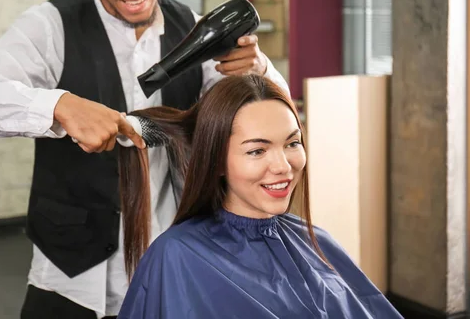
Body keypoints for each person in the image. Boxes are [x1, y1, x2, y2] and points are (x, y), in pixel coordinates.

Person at [0, 0, 288, 317]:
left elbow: (278, 123)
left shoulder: (192, 26)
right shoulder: (50, 27)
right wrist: (58, 105)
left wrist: (258, 69)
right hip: (71, 279)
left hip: (173, 264)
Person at [116, 74, 403, 319]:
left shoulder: (316, 240)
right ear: (215, 161)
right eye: (257, 150)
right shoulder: (178, 255)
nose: (283, 166)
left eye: (292, 143)